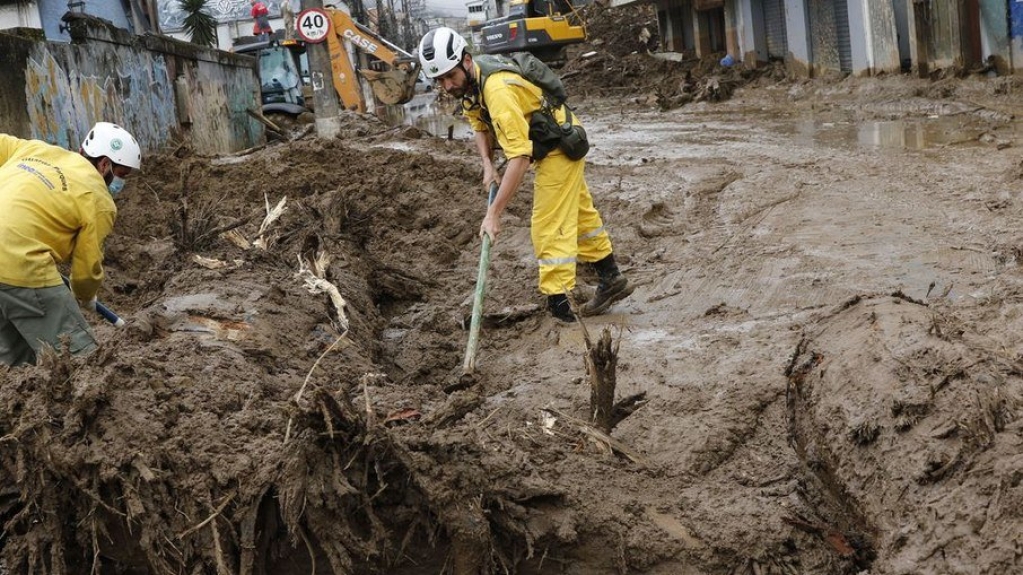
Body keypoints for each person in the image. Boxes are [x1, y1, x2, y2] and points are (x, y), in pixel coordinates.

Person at [418, 27, 633, 323]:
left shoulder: (496, 90)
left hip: (559, 144)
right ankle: (611, 277)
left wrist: (494, 213)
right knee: (581, 216)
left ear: (466, 61)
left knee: (548, 225)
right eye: (439, 80)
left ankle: (562, 308)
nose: (446, 86)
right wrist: (487, 165)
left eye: (449, 76)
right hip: (546, 140)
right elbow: (479, 125)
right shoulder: (470, 85)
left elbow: (519, 158)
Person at [0, 122, 142, 367]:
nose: (121, 183)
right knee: (82, 362)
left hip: (13, 261)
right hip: (23, 265)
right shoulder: (99, 200)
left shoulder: (34, 150)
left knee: (13, 363)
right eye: (121, 175)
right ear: (105, 164)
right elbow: (86, 269)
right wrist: (85, 296)